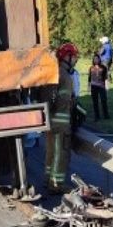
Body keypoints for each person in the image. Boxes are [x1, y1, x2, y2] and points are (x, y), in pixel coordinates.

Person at [45, 43, 79, 193]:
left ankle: (48, 179)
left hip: (51, 120)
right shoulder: (65, 76)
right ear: (67, 56)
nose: (75, 60)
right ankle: (57, 185)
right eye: (74, 56)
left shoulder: (54, 72)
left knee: (51, 152)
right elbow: (67, 101)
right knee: (61, 153)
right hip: (61, 122)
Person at [88, 54, 109, 121]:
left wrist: (107, 86)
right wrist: (88, 87)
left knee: (103, 100)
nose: (96, 60)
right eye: (94, 59)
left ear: (99, 59)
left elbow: (106, 78)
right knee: (95, 102)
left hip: (101, 86)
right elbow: (89, 78)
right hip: (93, 87)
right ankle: (97, 116)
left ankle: (106, 115)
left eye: (97, 59)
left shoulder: (103, 67)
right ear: (93, 60)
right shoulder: (91, 68)